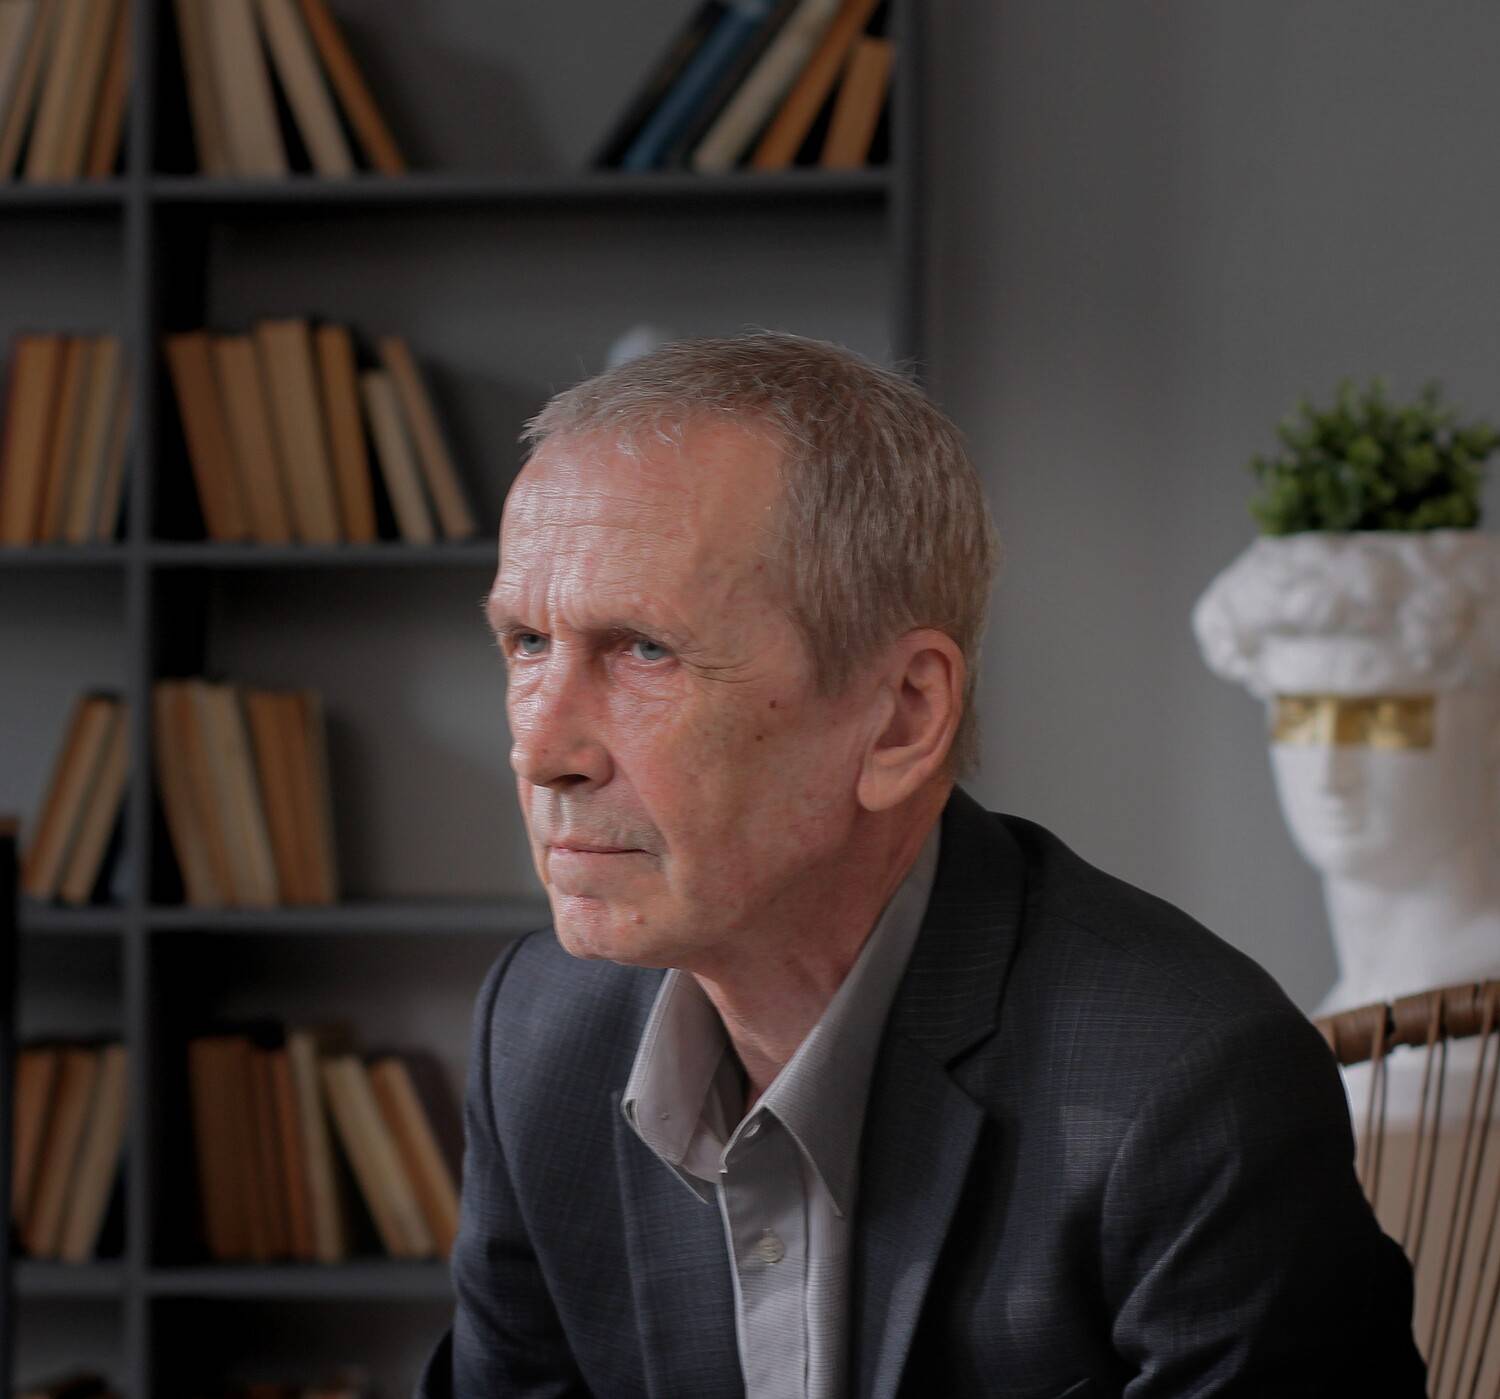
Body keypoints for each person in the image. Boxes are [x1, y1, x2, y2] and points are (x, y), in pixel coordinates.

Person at [417, 333, 1424, 1398]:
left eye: (644, 649)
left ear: (901, 716)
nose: (539, 748)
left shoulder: (1188, 1087)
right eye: (526, 643)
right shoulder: (539, 1030)